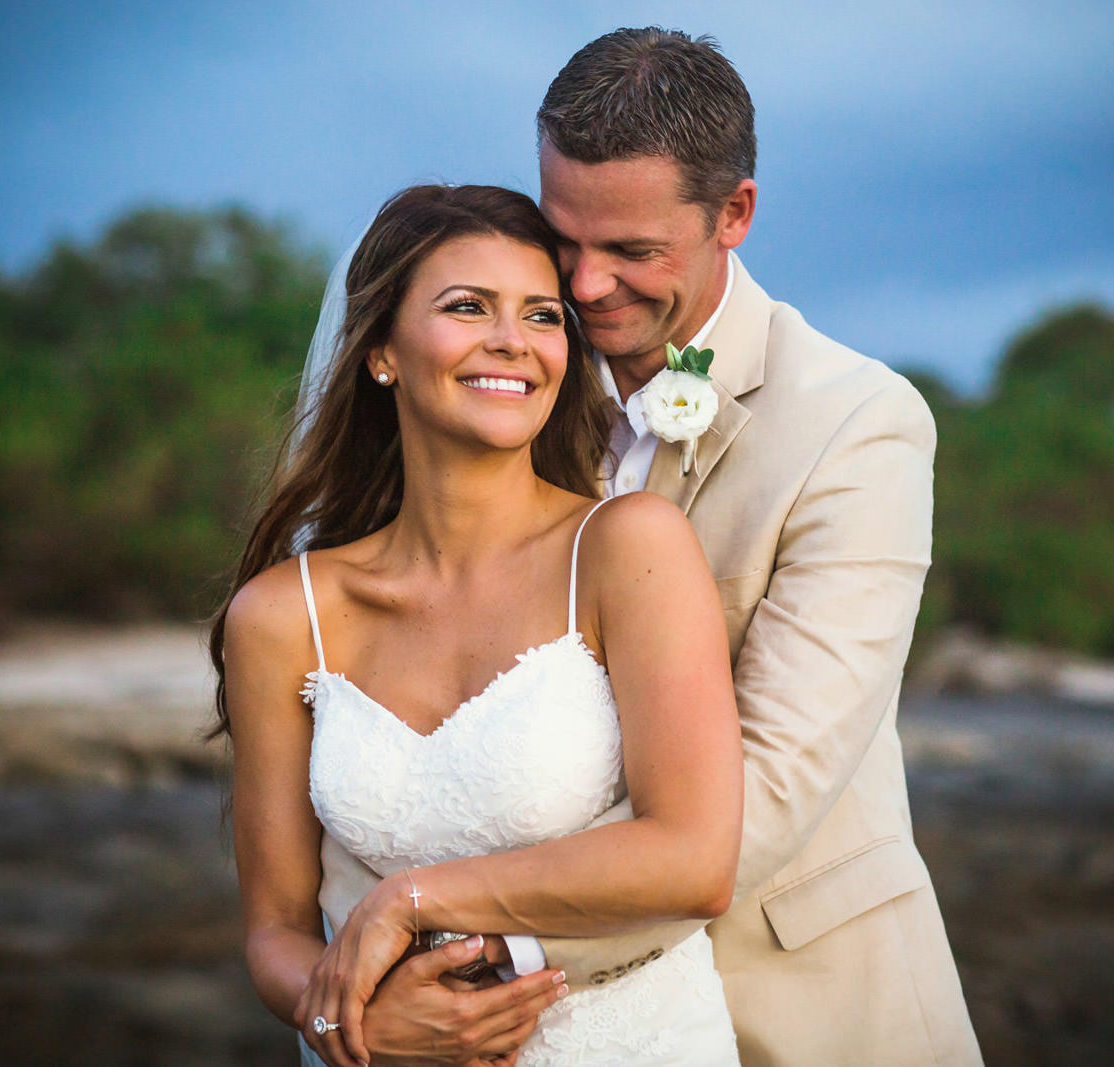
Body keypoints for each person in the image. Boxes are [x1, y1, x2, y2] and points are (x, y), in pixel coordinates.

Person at [317, 28, 984, 1066]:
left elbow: (763, 791)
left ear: (735, 215)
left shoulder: (859, 426)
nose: (582, 288)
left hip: (804, 1008)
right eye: (562, 237)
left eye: (631, 251)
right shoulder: (506, 385)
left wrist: (458, 949)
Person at [208, 183, 746, 1067]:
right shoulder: (281, 615)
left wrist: (408, 899)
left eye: (541, 315)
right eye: (468, 307)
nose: (513, 341)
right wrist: (353, 1025)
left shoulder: (625, 547)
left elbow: (695, 858)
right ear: (380, 349)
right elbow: (274, 929)